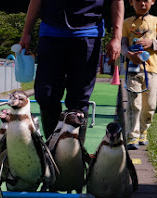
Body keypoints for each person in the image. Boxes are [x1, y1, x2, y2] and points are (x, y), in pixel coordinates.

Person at [19, 0, 124, 142]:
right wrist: (26, 32)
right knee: (46, 96)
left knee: (79, 100)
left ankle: (75, 155)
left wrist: (116, 38)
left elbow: (117, 1)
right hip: (51, 34)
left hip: (88, 34)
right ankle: (52, 145)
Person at [122, 0, 157, 150]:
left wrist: (152, 43)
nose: (142, 3)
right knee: (134, 103)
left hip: (152, 69)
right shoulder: (127, 23)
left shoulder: (155, 21)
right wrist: (129, 55)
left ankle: (143, 131)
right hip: (132, 69)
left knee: (149, 105)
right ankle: (133, 135)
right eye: (137, 0)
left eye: (146, 0)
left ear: (152, 2)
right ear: (131, 2)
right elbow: (122, 44)